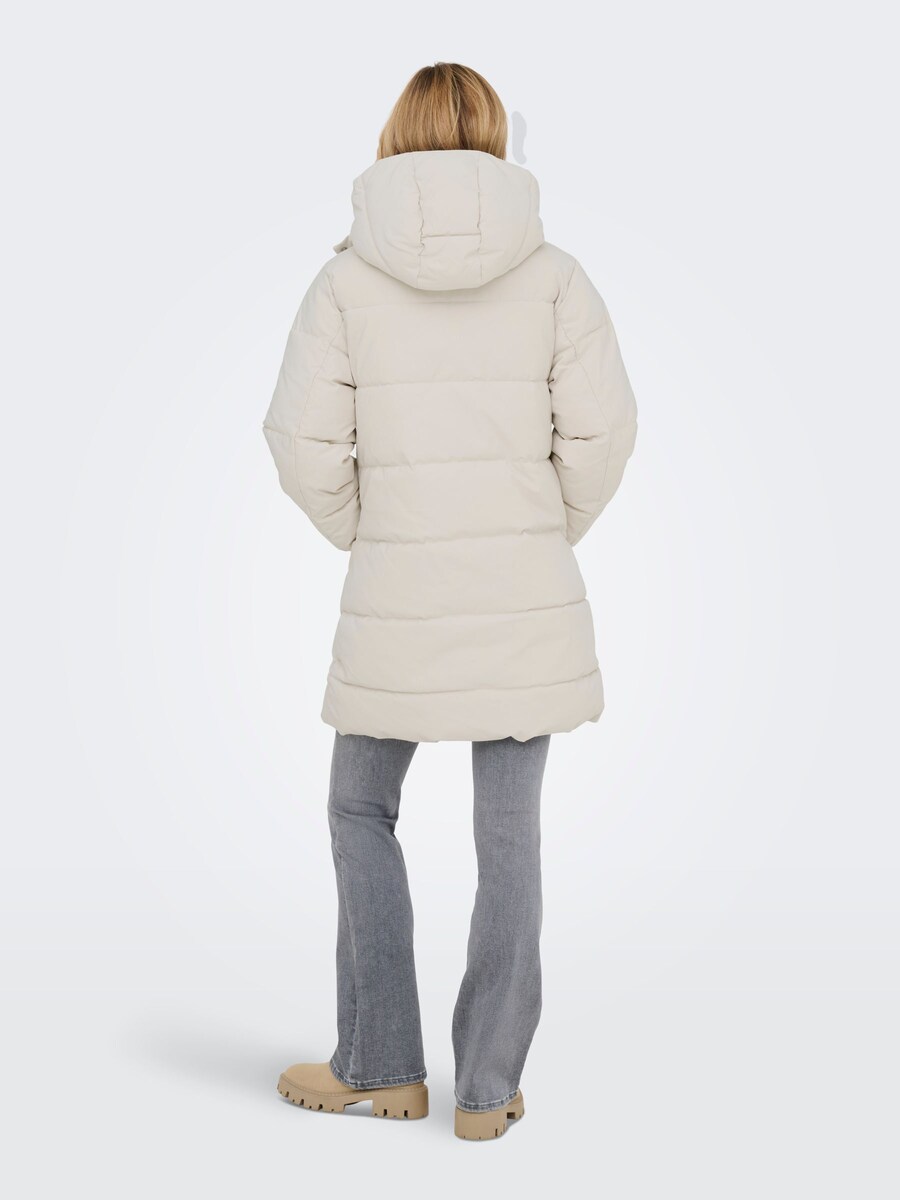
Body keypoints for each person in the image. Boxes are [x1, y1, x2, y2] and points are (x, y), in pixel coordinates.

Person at [262, 62, 638, 1140]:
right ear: (496, 136)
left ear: (396, 134)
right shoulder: (556, 276)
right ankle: (486, 1092)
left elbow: (301, 443)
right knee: (509, 835)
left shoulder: (345, 281)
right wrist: (539, 530)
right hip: (526, 600)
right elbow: (605, 433)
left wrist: (375, 533)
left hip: (396, 598)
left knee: (359, 811)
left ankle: (381, 1064)